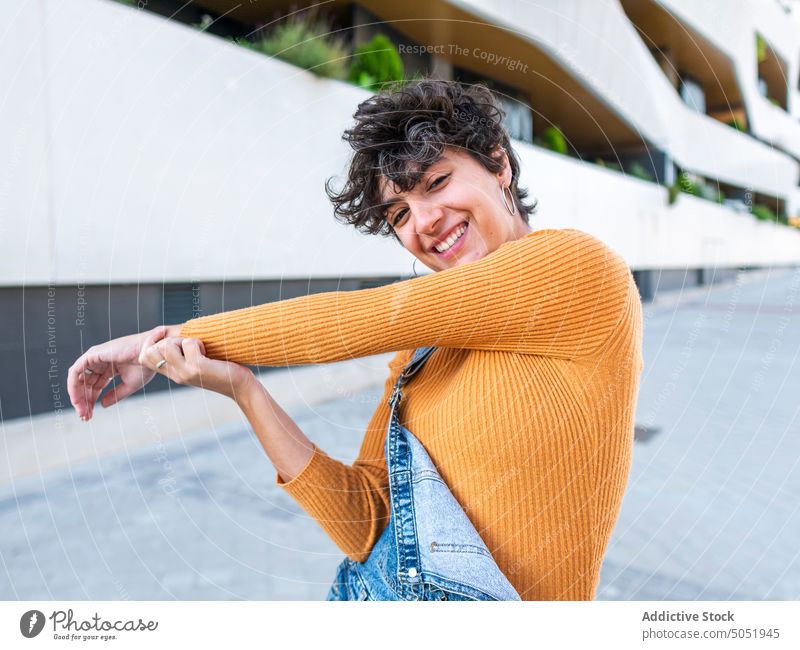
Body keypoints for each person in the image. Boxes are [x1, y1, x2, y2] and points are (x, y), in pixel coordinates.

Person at [68, 78, 644, 600]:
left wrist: (171, 339)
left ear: (499, 166)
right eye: (398, 215)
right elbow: (365, 524)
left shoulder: (578, 269)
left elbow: (364, 317)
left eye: (437, 183)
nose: (423, 222)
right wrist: (244, 390)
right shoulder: (423, 353)